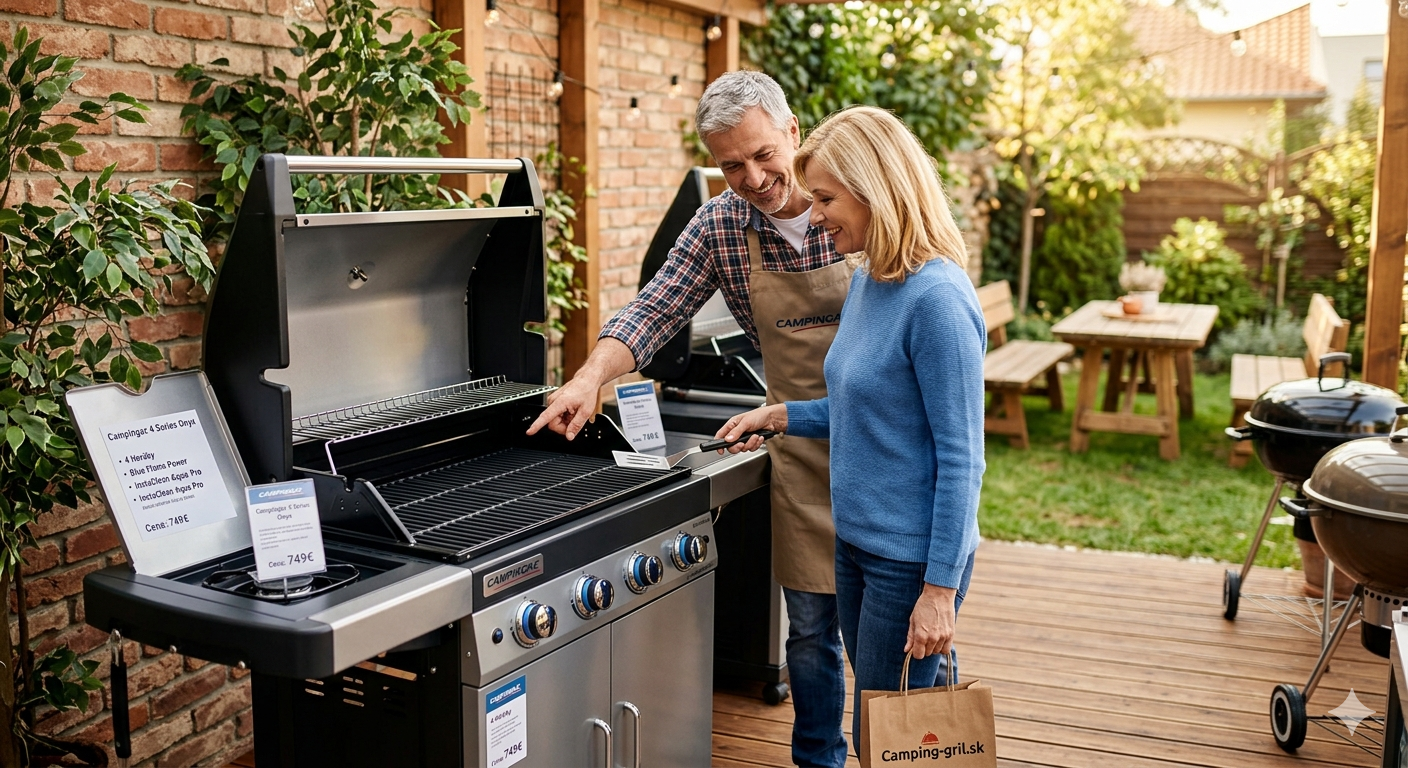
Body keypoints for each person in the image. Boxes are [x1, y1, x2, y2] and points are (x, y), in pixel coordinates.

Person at [526, 71, 853, 767]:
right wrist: (588, 379)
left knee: (898, 628)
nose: (754, 176)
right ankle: (820, 759)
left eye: (764, 154)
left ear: (793, 131)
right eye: (732, 163)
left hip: (883, 442)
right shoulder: (719, 225)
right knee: (811, 631)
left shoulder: (857, 200)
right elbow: (654, 310)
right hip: (801, 441)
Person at [713, 106, 984, 757]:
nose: (818, 213)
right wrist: (781, 416)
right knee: (889, 723)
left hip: (909, 559)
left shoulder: (937, 300)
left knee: (892, 735)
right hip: (856, 542)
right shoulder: (871, 280)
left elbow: (961, 460)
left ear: (878, 191)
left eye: (828, 198)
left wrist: (939, 591)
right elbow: (869, 409)